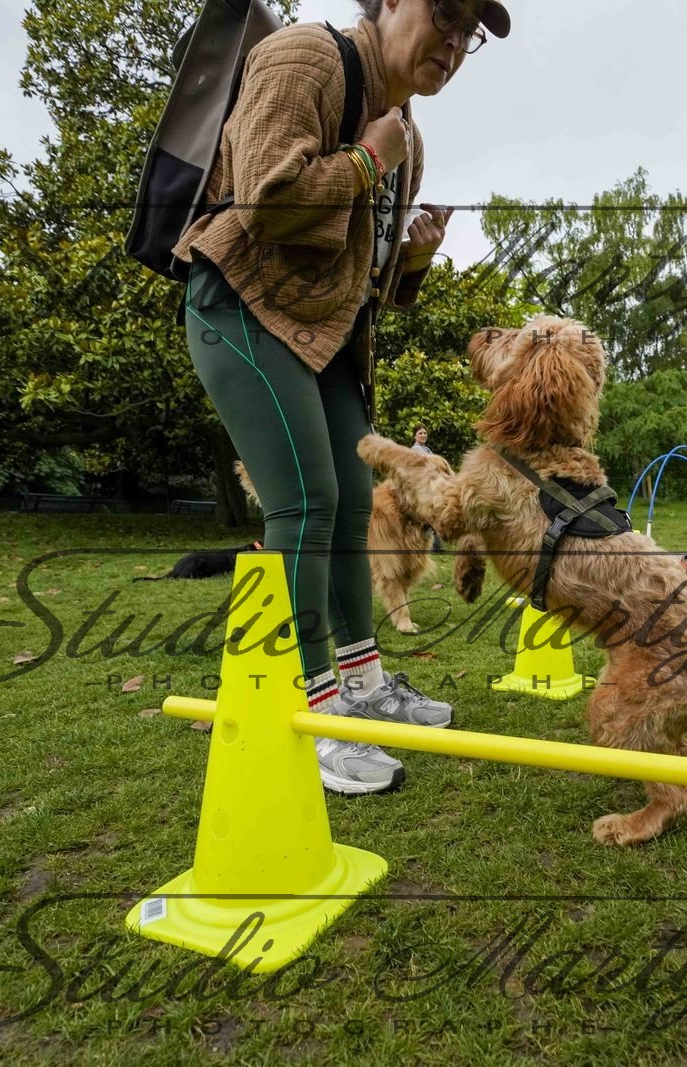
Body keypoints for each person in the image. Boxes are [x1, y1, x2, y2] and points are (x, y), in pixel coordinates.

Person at [171, 0, 511, 795]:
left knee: (357, 497)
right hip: (240, 303)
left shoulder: (407, 134)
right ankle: (308, 707)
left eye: (471, 35)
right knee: (305, 500)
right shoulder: (305, 60)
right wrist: (364, 161)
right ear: (389, 3)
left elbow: (369, 280)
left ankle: (363, 685)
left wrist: (416, 259)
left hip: (323, 330)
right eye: (446, 15)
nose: (456, 42)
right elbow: (262, 202)